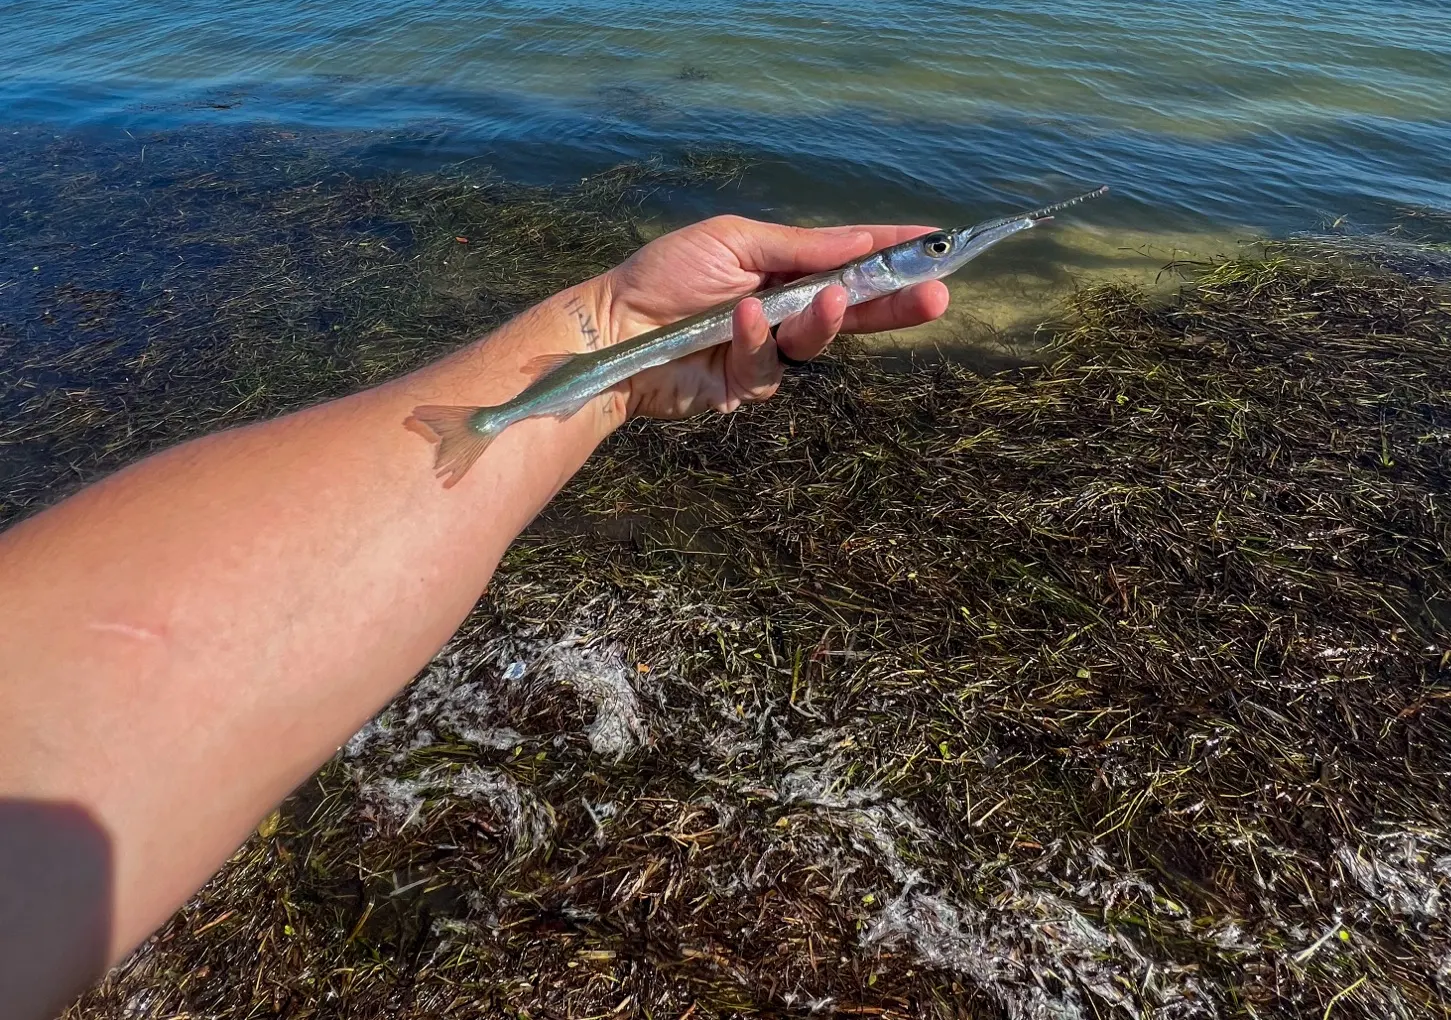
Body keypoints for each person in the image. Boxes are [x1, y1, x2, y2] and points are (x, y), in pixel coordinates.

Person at [0, 213, 948, 1020]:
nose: (939, 258)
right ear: (885, 270)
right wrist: (608, 335)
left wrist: (615, 319)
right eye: (936, 251)